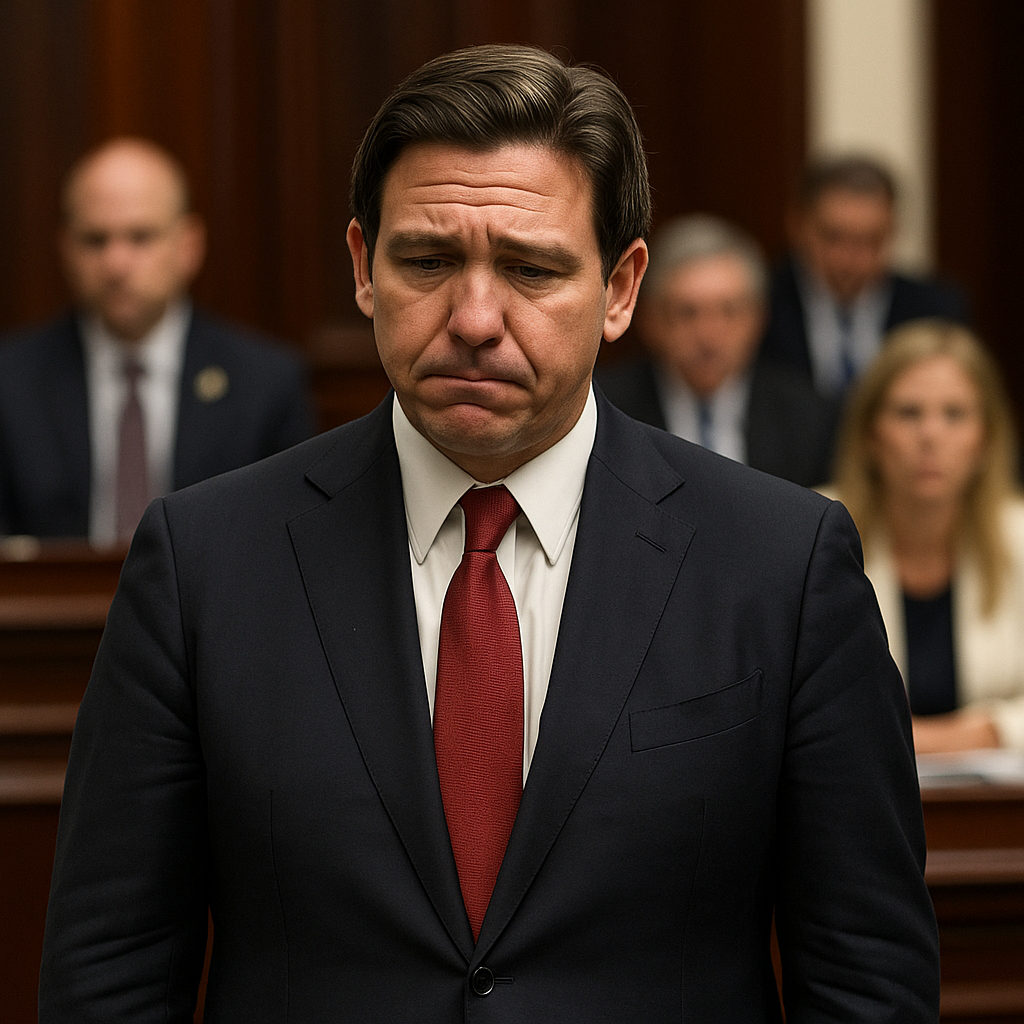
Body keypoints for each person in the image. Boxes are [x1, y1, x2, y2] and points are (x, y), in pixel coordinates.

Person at [40, 45, 938, 1022]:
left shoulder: (781, 565)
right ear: (363, 267)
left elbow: (867, 979)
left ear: (621, 288)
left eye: (530, 268)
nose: (473, 317)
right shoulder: (203, 563)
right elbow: (110, 971)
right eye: (427, 261)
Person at [0, 137, 315, 542]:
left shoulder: (264, 383)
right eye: (95, 240)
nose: (116, 263)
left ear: (188, 246)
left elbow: (288, 536)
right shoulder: (12, 381)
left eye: (140, 237)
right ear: (66, 249)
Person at [830, 319, 1024, 753]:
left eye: (954, 414)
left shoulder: (1020, 535)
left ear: (986, 439)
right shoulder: (814, 531)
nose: (930, 435)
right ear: (870, 435)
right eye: (909, 413)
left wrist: (978, 734)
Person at [597, 214, 839, 487]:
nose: (708, 336)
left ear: (759, 319)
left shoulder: (808, 418)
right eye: (687, 313)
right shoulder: (604, 410)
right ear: (651, 321)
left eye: (729, 311)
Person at [760, 154, 969, 398]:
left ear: (893, 231)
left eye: (870, 241)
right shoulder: (759, 303)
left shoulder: (935, 311)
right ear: (797, 226)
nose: (849, 260)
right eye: (833, 237)